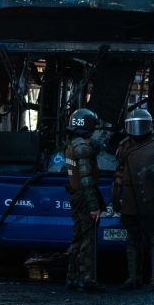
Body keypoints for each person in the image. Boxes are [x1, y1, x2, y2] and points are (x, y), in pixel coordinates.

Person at [112, 107, 154, 292]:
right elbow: (118, 173)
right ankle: (134, 277)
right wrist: (116, 195)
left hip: (151, 198)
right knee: (133, 239)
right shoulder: (125, 146)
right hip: (130, 198)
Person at [64, 107, 103, 292]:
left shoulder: (72, 145)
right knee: (88, 239)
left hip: (75, 196)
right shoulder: (83, 148)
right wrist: (94, 206)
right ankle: (87, 279)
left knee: (77, 237)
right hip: (84, 198)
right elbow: (87, 180)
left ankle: (72, 276)